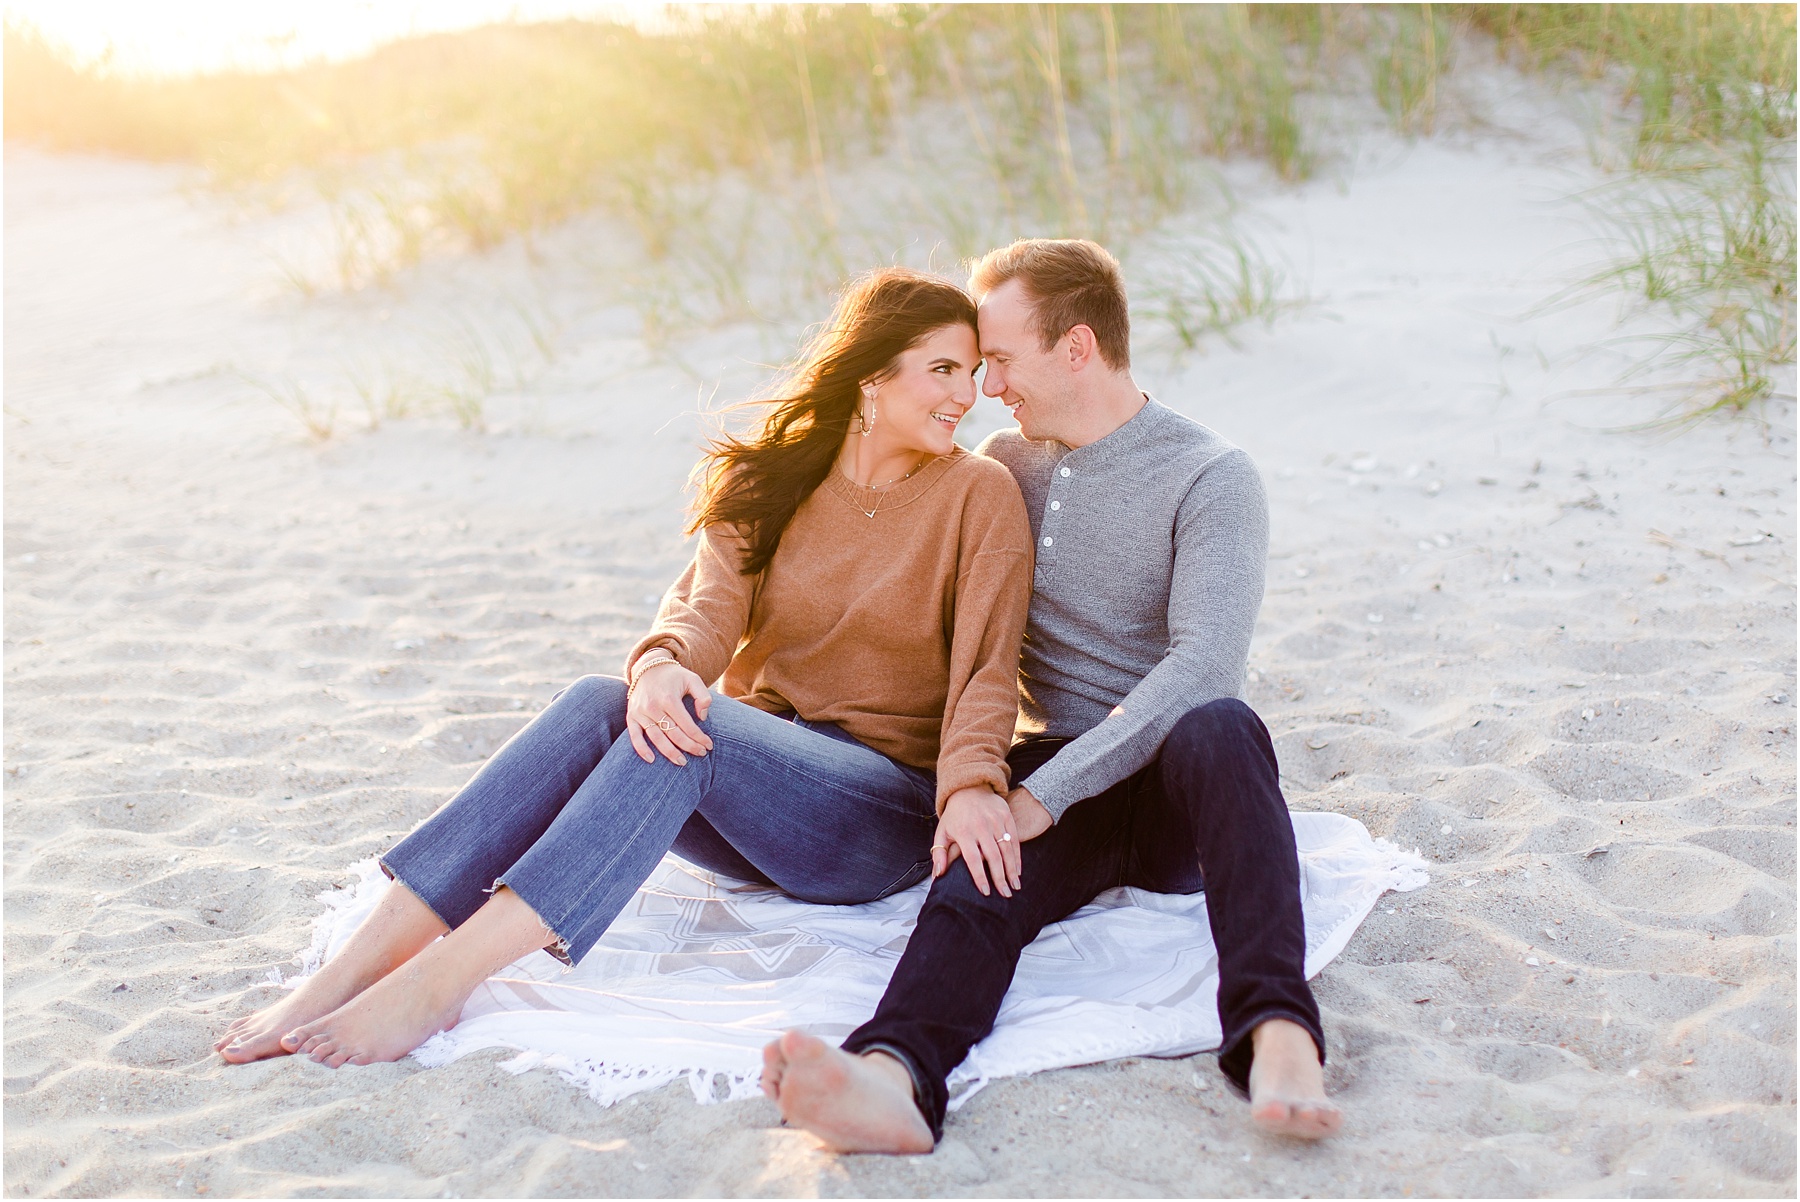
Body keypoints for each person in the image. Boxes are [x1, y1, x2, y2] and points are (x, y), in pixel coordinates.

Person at [215, 268, 1034, 1068]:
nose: (968, 395)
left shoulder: (976, 492)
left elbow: (988, 672)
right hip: (750, 806)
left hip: (874, 822)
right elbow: (704, 613)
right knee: (603, 701)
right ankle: (343, 977)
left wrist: (968, 787)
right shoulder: (769, 482)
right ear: (869, 380)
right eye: (943, 370)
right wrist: (661, 665)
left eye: (970, 372)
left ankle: (442, 980)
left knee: (699, 729)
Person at [761, 239, 1343, 1152]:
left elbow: (1202, 667)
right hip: (1050, 768)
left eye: (1000, 359)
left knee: (1225, 727)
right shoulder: (1002, 464)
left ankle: (1279, 1035)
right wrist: (983, 786)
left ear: (1076, 349)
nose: (987, 386)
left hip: (1171, 791)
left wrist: (1044, 794)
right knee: (977, 860)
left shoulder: (1211, 476)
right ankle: (895, 1076)